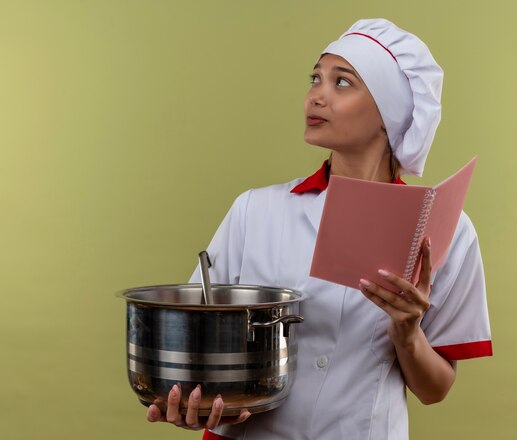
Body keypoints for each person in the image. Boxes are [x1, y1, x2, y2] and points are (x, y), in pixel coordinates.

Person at [146, 18, 492, 439]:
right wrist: (188, 402)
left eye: (341, 83)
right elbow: (196, 348)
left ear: (389, 114)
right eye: (315, 78)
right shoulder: (255, 210)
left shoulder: (447, 231)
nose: (316, 96)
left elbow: (434, 389)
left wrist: (408, 332)